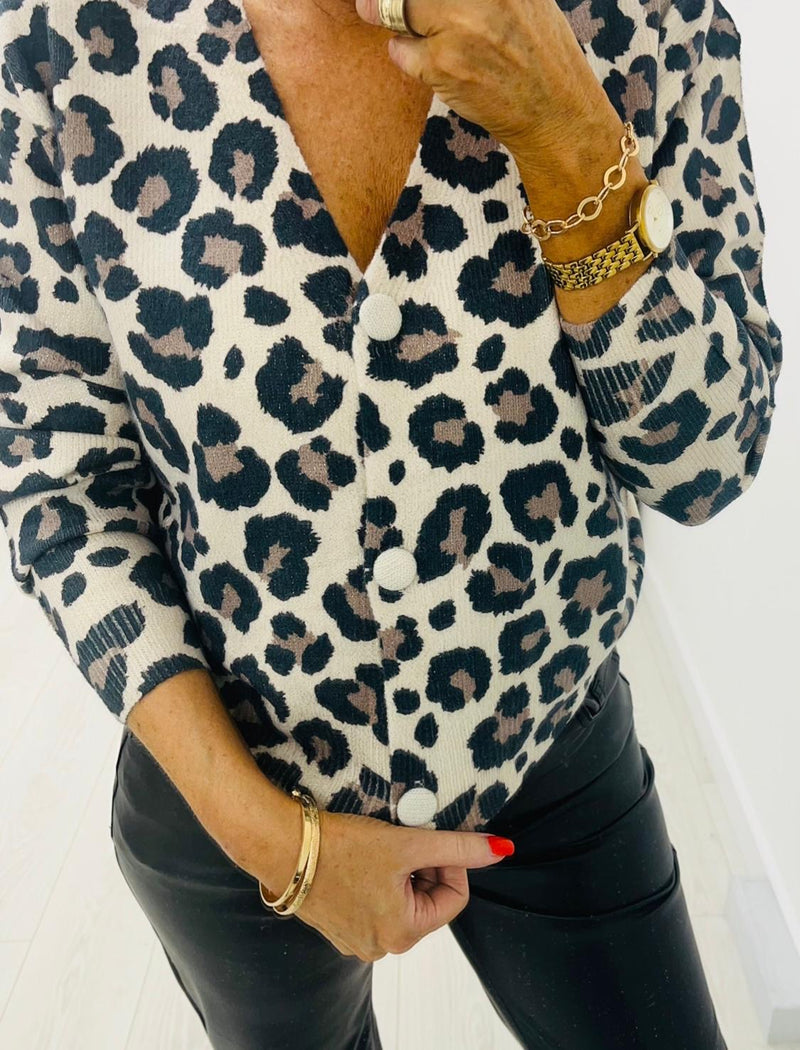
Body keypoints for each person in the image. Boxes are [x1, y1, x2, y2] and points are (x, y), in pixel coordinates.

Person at [0, 0, 782, 1046]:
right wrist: (277, 846)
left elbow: (705, 465)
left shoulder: (649, 21)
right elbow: (60, 487)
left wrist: (567, 132)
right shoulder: (58, 38)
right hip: (235, 792)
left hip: (545, 739)